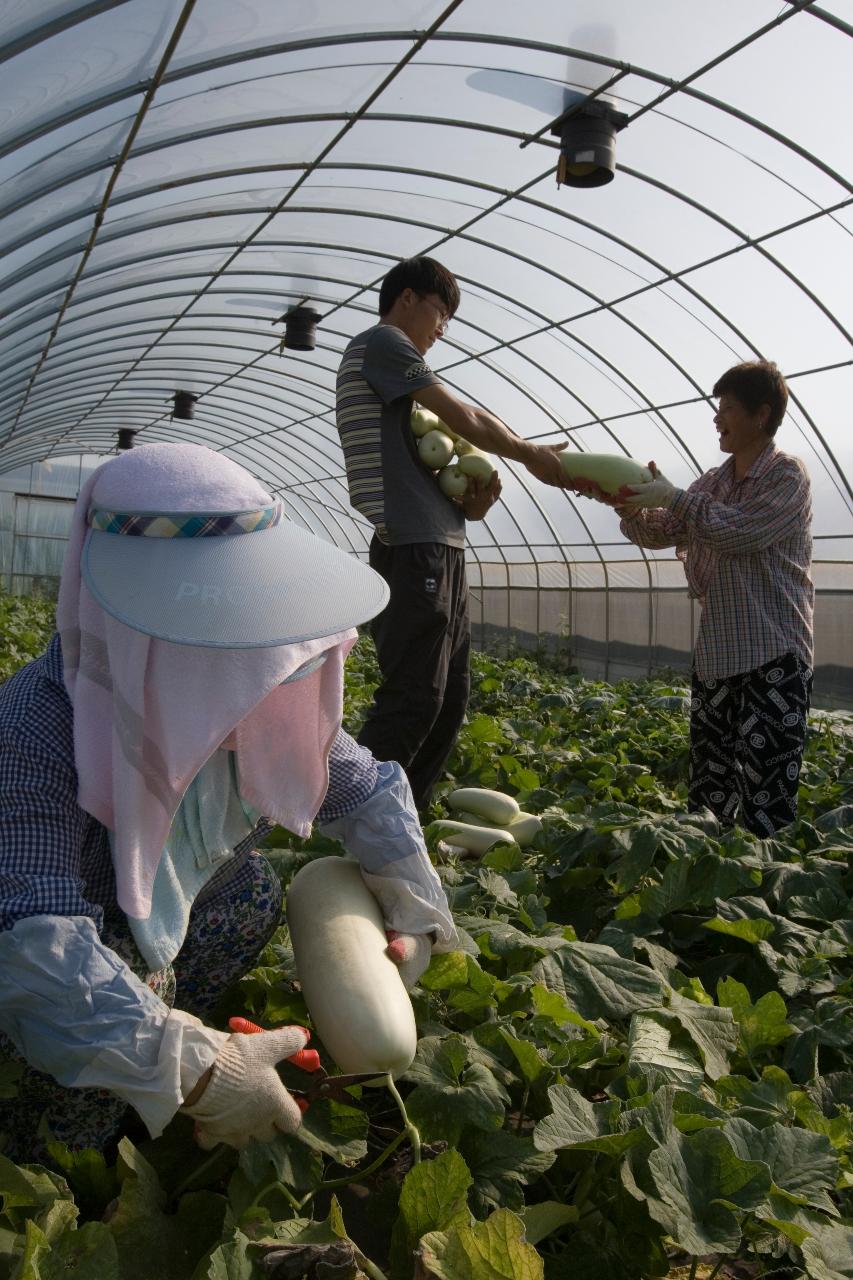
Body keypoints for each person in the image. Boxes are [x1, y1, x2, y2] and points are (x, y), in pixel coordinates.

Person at [0, 442, 458, 1163]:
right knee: (76, 1132)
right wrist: (197, 1069)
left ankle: (169, 1048)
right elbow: (31, 941)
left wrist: (412, 903)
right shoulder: (37, 726)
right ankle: (64, 1158)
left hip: (163, 930)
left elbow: (366, 792)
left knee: (246, 887)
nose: (245, 663)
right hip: (69, 949)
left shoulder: (250, 682)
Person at [336, 255, 570, 810]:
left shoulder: (395, 381)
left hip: (437, 546)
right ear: (408, 298)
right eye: (441, 311)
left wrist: (472, 504)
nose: (443, 328)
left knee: (449, 698)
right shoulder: (384, 344)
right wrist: (527, 452)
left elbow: (429, 466)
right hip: (416, 552)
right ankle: (353, 815)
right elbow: (464, 416)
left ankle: (402, 818)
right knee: (414, 697)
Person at [610, 359, 814, 835]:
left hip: (773, 656)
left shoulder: (787, 477)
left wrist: (674, 496)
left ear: (761, 416)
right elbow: (664, 530)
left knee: (767, 794)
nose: (717, 418)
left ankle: (761, 894)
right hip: (718, 657)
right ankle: (709, 885)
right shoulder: (714, 481)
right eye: (717, 407)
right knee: (709, 791)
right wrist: (630, 507)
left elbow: (739, 533)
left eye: (727, 408)